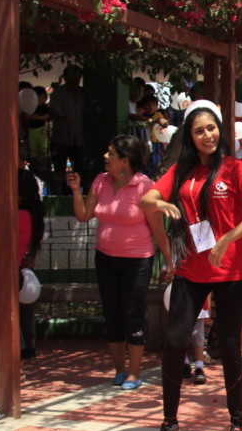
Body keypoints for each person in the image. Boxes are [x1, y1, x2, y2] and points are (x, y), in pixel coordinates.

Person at [141, 105, 242, 431]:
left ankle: (237, 425)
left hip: (232, 271)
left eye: (211, 128)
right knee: (174, 341)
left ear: (220, 131)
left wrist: (229, 238)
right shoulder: (181, 171)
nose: (207, 135)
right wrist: (161, 205)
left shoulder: (234, 168)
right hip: (191, 270)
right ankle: (169, 422)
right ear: (190, 136)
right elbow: (147, 199)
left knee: (229, 345)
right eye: (199, 130)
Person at [68, 134, 171, 389]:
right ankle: (120, 369)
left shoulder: (145, 186)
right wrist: (75, 190)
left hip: (137, 261)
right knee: (111, 314)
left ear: (125, 161)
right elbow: (83, 215)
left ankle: (134, 373)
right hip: (105, 259)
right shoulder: (100, 181)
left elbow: (158, 230)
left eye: (111, 153)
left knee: (133, 313)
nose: (105, 156)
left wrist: (170, 262)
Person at [18, 168, 45, 359]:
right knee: (25, 312)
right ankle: (27, 345)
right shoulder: (32, 213)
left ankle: (23, 346)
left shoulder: (20, 215)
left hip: (14, 269)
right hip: (23, 268)